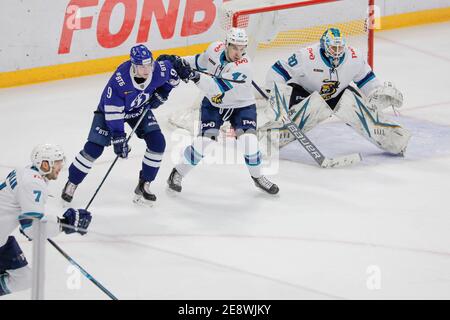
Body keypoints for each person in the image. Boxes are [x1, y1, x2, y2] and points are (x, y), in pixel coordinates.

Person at [162, 27, 279, 195]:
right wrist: (178, 61)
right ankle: (177, 173)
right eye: (235, 48)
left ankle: (258, 177)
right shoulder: (214, 49)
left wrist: (193, 76)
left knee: (249, 142)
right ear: (226, 44)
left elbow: (214, 88)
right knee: (205, 142)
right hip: (214, 105)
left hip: (241, 106)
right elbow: (198, 61)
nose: (239, 53)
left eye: (242, 48)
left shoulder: (244, 67)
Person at [61, 44, 181, 205]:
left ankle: (144, 183)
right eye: (141, 66)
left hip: (138, 109)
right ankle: (72, 182)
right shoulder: (120, 80)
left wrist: (163, 92)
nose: (147, 70)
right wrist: (118, 137)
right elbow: (113, 112)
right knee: (94, 148)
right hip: (110, 113)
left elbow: (174, 77)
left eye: (149, 65)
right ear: (133, 65)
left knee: (157, 142)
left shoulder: (159, 69)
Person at [261, 27, 411, 155]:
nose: (337, 52)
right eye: (333, 48)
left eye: (340, 48)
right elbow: (278, 70)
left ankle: (396, 142)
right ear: (324, 46)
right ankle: (267, 139)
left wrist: (377, 93)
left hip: (336, 94)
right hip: (303, 93)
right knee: (311, 109)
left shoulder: (354, 57)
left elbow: (367, 81)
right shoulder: (306, 56)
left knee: (358, 109)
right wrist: (276, 99)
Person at [0, 144, 92, 296]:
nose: (60, 166)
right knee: (24, 279)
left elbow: (27, 220)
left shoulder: (26, 172)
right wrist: (65, 224)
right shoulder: (33, 183)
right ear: (44, 164)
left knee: (24, 279)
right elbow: (31, 228)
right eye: (56, 162)